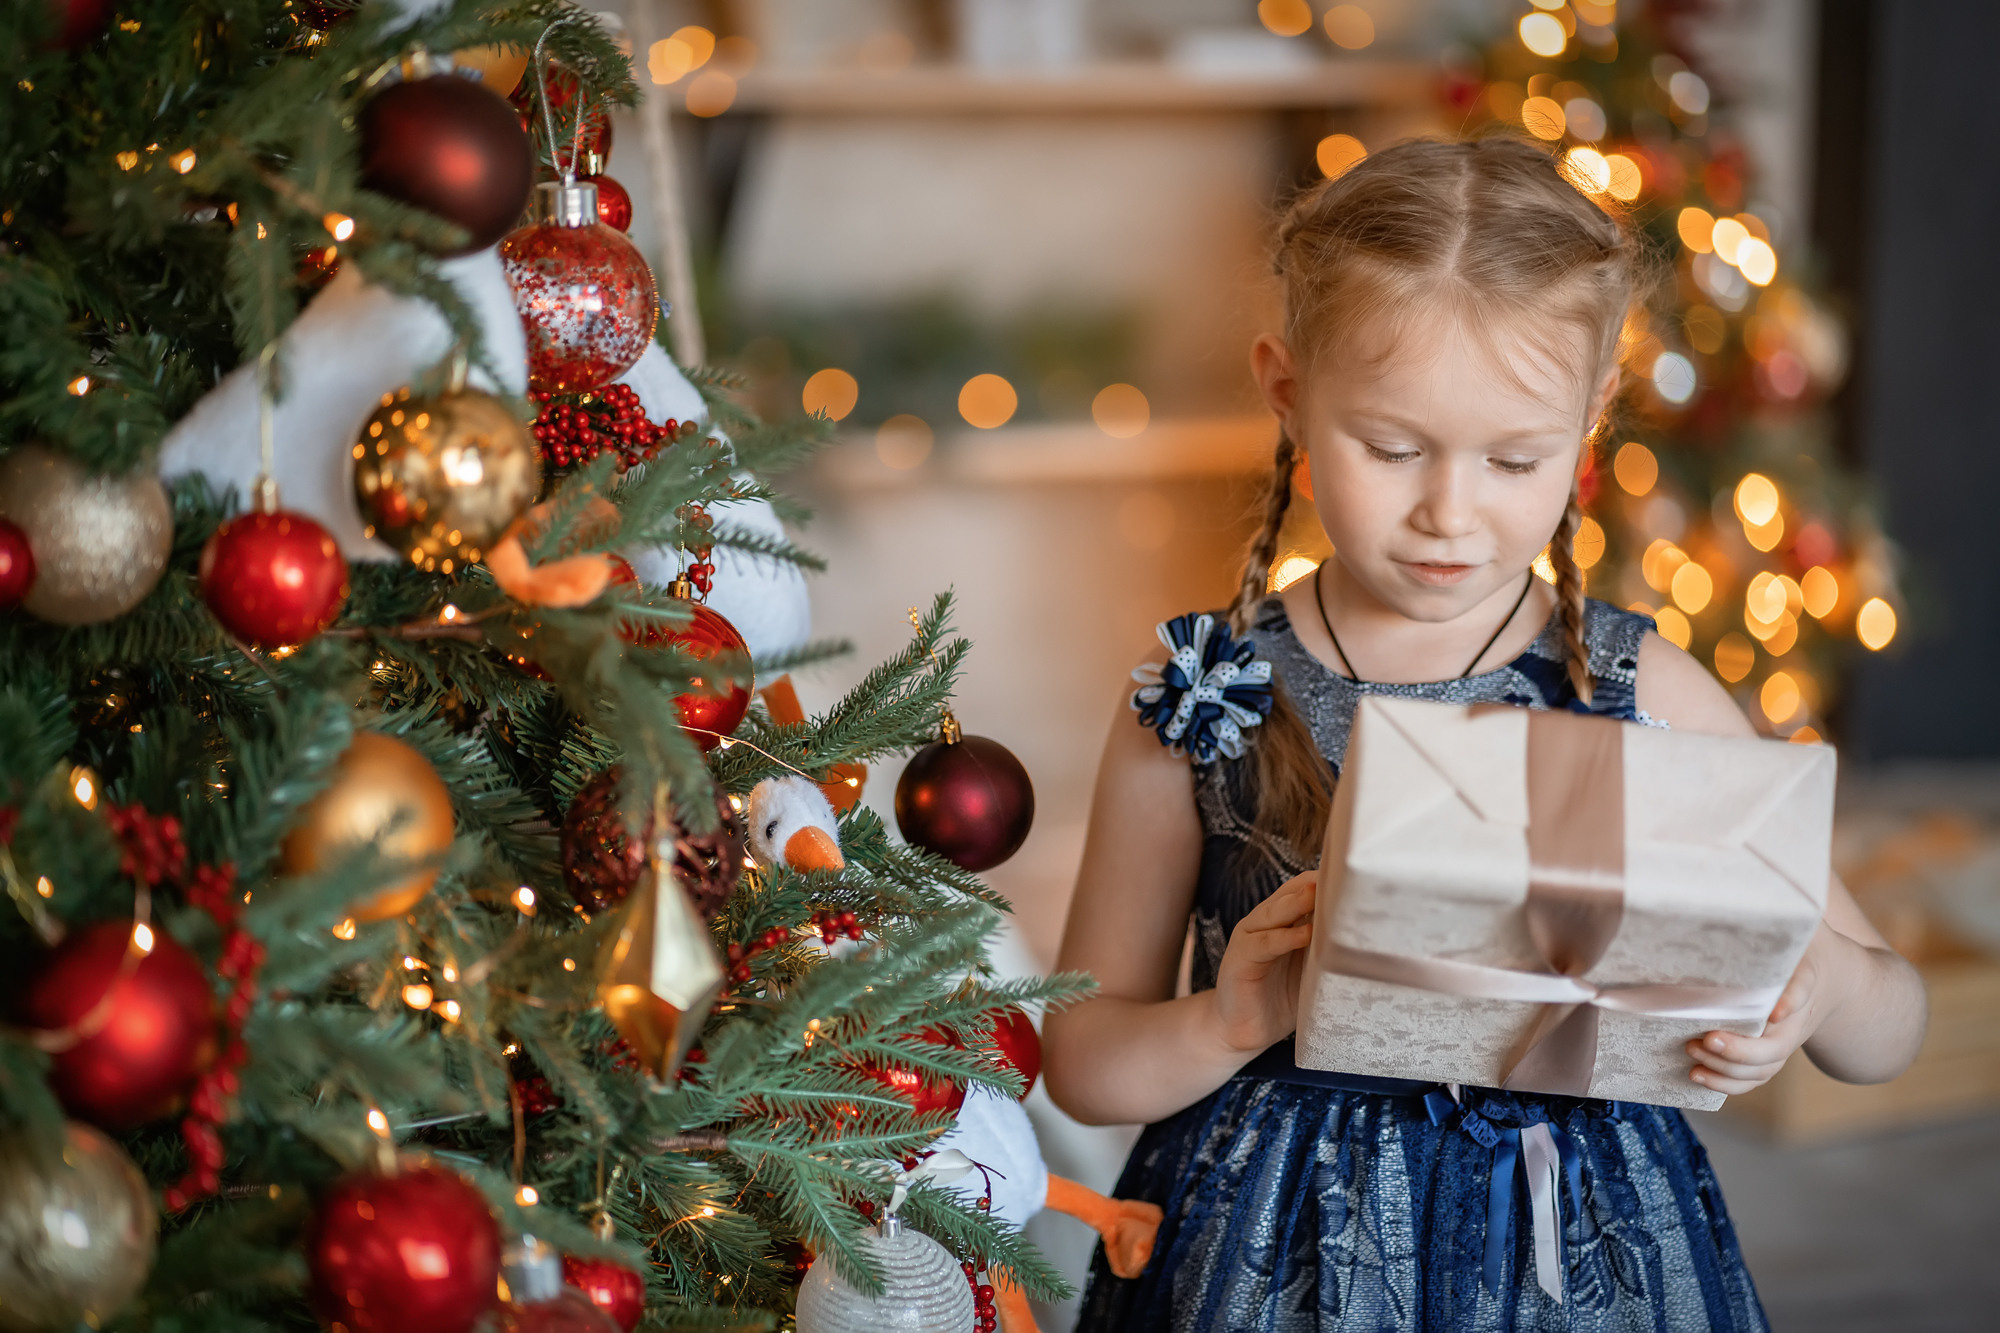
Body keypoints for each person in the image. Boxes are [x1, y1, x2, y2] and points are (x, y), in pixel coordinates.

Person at [1043, 137, 1927, 1332]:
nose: (1447, 513)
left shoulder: (1635, 683)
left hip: (1578, 1247)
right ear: (1286, 390)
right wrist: (1233, 1017)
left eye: (1514, 458)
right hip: (1269, 1251)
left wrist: (1817, 986)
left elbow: (1888, 1030)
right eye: (1391, 448)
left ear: (1590, 417)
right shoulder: (1203, 692)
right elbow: (1082, 1063)